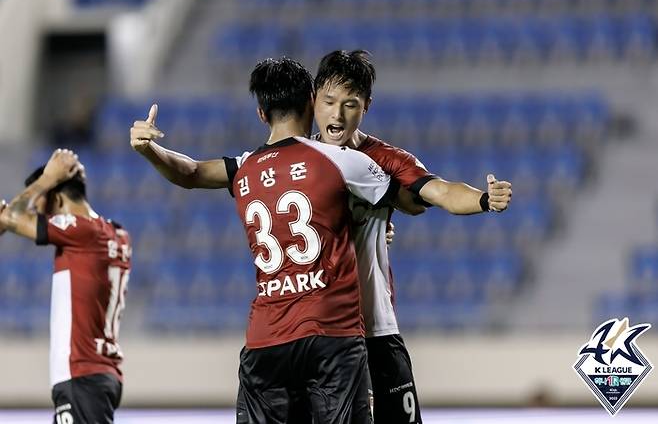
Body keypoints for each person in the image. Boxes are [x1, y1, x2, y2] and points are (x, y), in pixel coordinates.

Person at [130, 57, 406, 423]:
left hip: (265, 340)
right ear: (313, 100)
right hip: (329, 334)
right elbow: (411, 194)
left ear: (261, 113)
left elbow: (192, 171)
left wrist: (149, 148)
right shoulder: (336, 159)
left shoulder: (245, 167)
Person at [311, 49, 513, 423]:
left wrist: (485, 199)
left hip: (375, 328)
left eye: (350, 104)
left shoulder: (384, 159)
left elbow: (438, 191)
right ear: (313, 99)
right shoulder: (293, 162)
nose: (337, 115)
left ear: (366, 106)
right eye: (329, 102)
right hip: (315, 335)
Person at [0, 149, 131, 424]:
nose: (37, 215)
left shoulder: (81, 231)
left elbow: (10, 217)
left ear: (57, 199)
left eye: (42, 208)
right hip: (99, 374)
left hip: (81, 374)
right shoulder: (117, 234)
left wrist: (46, 179)